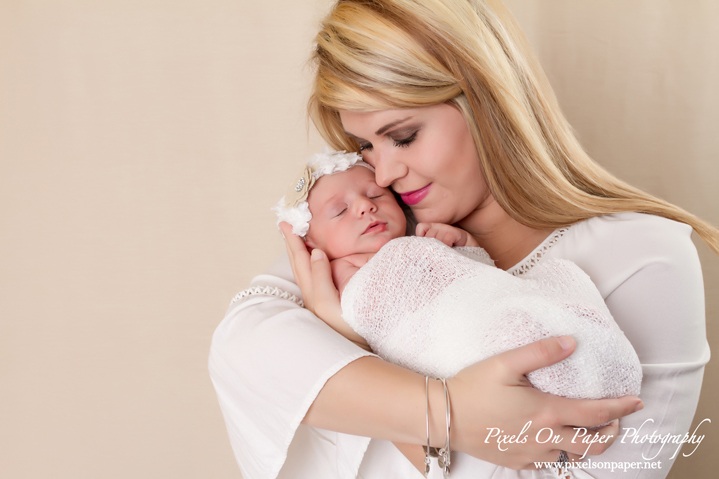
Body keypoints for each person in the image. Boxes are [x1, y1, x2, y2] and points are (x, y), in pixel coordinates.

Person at [209, 1, 716, 478]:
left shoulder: (645, 257)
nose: (383, 173)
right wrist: (447, 414)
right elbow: (242, 347)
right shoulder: (380, 234)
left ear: (486, 99)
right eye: (365, 145)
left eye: (403, 136)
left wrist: (357, 351)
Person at [272, 148, 643, 475]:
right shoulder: (339, 274)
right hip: (439, 343)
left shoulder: (422, 240)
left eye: (375, 195)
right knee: (511, 334)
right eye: (340, 211)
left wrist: (468, 251)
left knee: (548, 291)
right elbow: (370, 328)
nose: (366, 206)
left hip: (478, 312)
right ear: (311, 242)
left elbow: (477, 285)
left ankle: (577, 351)